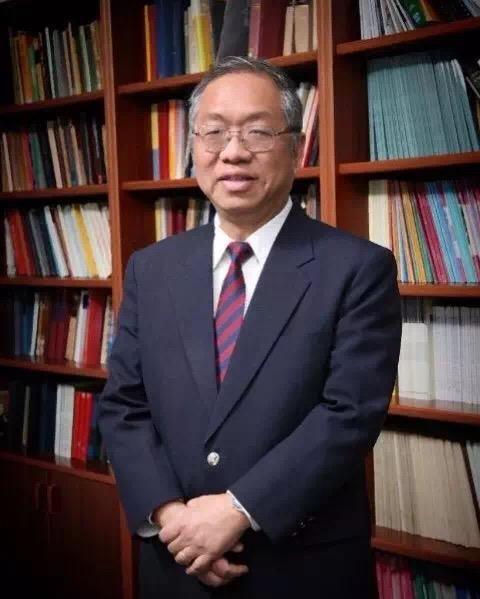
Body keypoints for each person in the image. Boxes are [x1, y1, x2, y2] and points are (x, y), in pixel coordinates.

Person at [99, 56, 402, 598]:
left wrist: (238, 510)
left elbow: (350, 414)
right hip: (176, 560)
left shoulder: (358, 268)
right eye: (213, 132)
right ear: (194, 146)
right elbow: (124, 403)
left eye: (258, 132)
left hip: (300, 566)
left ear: (296, 147)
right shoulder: (152, 267)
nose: (233, 152)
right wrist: (171, 518)